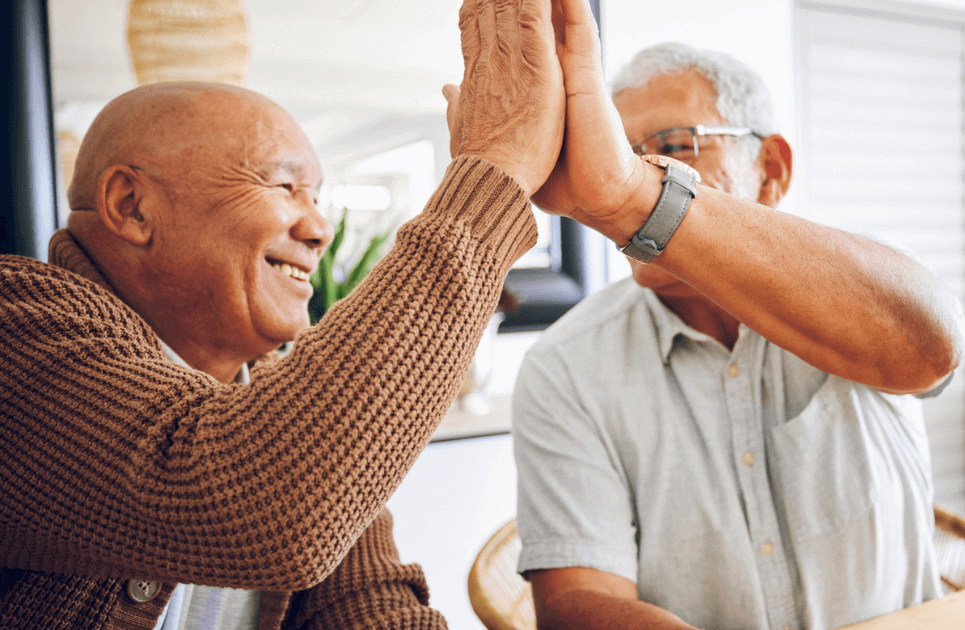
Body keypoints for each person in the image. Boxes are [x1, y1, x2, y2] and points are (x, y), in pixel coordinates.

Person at [0, 1, 578, 627]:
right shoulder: (16, 324)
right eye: (283, 186)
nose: (319, 227)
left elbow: (369, 607)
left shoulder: (285, 399)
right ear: (131, 206)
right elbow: (263, 507)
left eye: (319, 197)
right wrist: (494, 176)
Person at [512, 38, 965, 630]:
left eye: (675, 146)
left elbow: (931, 350)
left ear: (771, 171)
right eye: (618, 157)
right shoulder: (564, 364)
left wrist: (641, 200)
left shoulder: (857, 287)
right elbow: (576, 602)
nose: (631, 178)